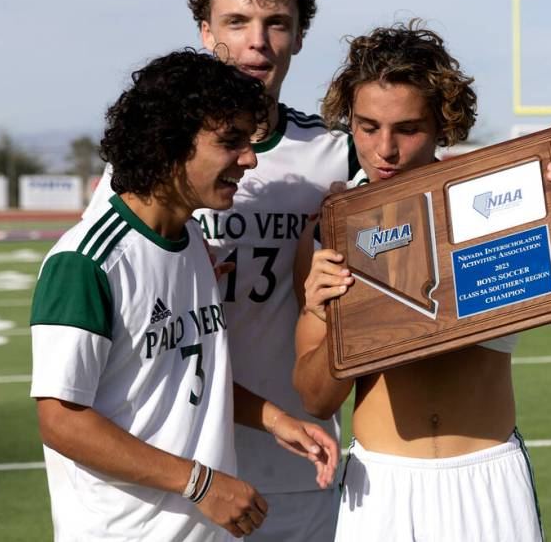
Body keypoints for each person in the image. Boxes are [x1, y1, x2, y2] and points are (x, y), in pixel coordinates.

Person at [83, 0, 358, 540]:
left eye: (276, 23)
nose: (256, 42)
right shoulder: (149, 160)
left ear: (300, 36)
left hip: (295, 459)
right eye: (236, 21)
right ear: (205, 33)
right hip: (175, 457)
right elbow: (105, 279)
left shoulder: (335, 154)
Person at [293, 21, 551, 542]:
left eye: (407, 128)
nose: (384, 149)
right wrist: (327, 312)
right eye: (367, 127)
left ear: (443, 123)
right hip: (382, 486)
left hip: (488, 476)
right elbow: (315, 400)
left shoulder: (499, 199)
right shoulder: (331, 230)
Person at [31, 50, 337, 542]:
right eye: (230, 142)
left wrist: (277, 419)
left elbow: (188, 375)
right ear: (170, 142)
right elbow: (61, 421)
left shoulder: (191, 239)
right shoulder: (87, 263)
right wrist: (201, 484)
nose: (250, 159)